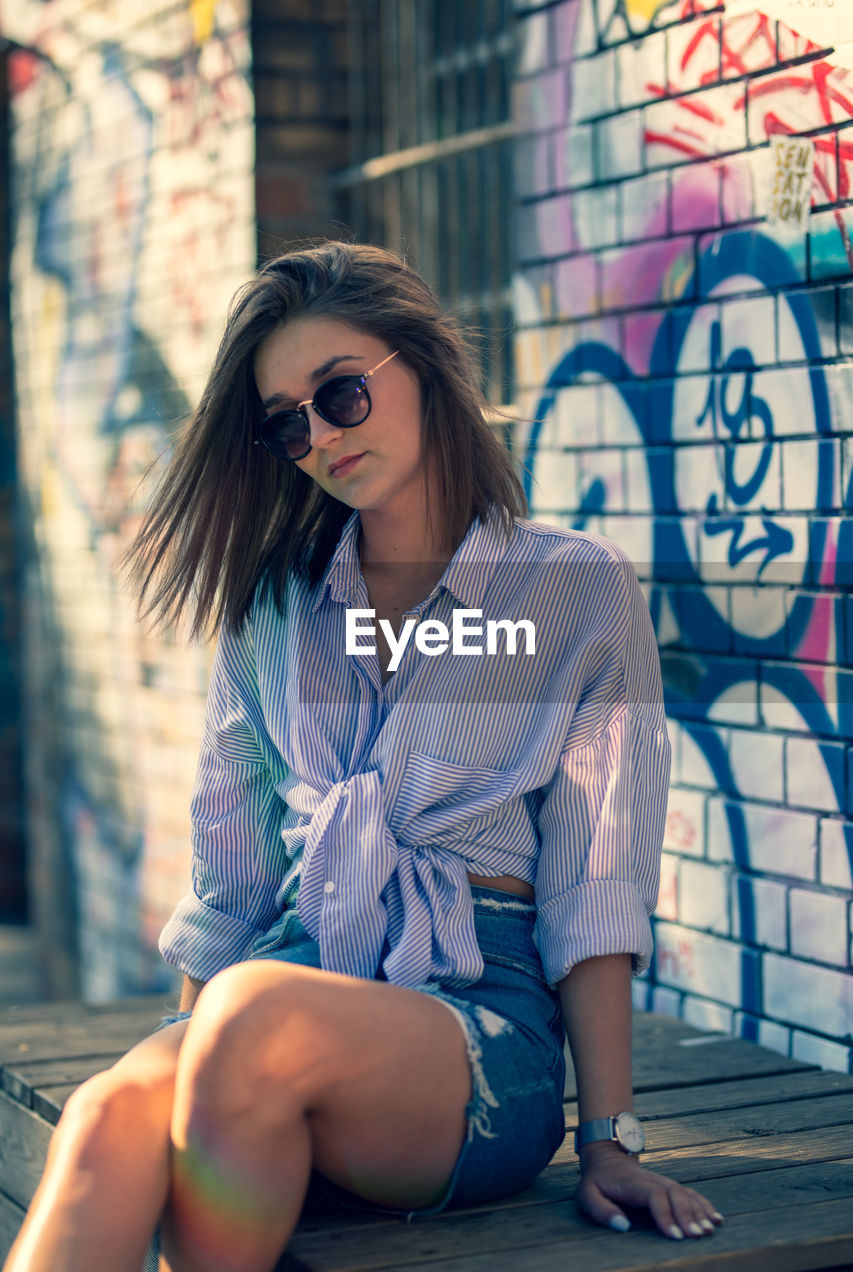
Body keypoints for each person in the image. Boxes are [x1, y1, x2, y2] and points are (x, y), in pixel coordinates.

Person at [4, 241, 723, 1272]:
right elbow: (234, 876)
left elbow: (595, 886)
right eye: (286, 422)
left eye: (341, 393)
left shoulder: (573, 587)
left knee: (251, 1010)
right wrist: (188, 1074)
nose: (319, 436)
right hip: (284, 990)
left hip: (475, 1025)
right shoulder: (273, 607)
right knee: (111, 1108)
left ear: (421, 364)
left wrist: (611, 1137)